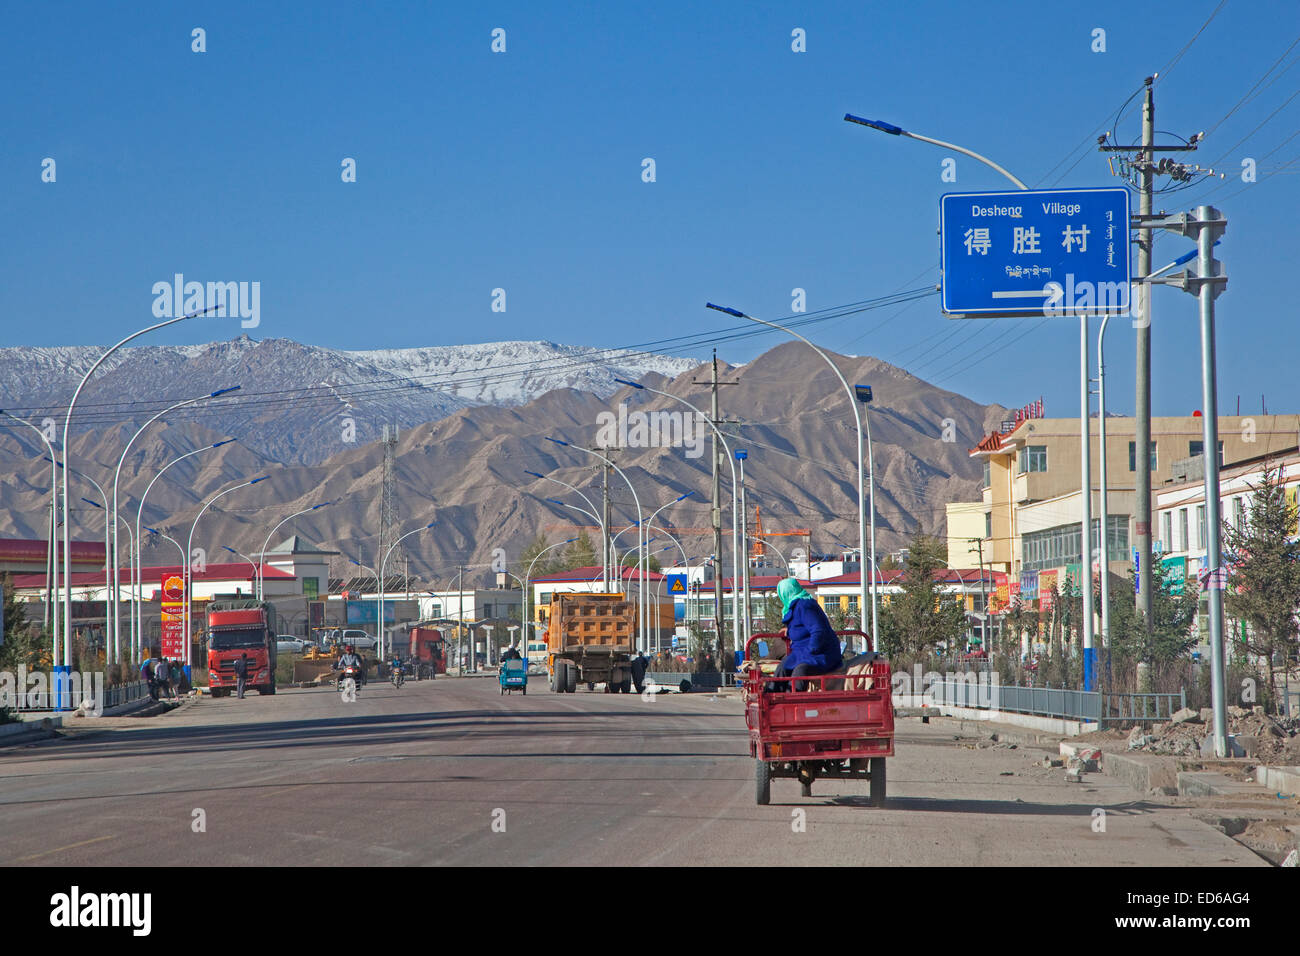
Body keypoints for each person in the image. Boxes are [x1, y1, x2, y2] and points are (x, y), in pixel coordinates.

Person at [771, 578, 842, 692]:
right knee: (783, 667)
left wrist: (810, 651)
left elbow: (818, 630)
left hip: (822, 653)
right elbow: (802, 628)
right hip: (804, 652)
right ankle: (772, 696)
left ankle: (793, 698)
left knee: (800, 671)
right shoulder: (796, 606)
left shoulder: (804, 606)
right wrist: (789, 631)